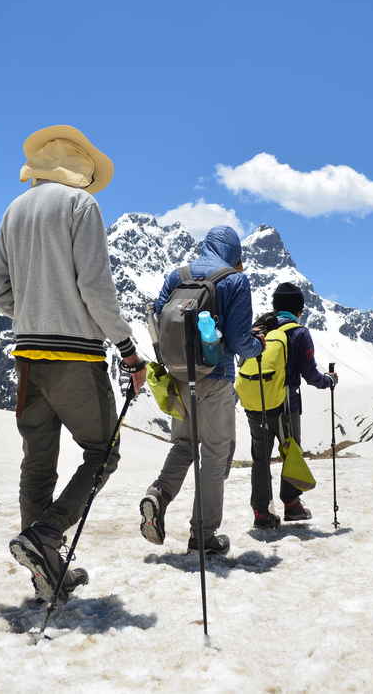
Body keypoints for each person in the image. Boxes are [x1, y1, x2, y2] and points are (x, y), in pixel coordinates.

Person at [0, 124, 147, 604]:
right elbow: (96, 288)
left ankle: (45, 573)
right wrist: (128, 349)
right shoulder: (81, 206)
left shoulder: (13, 211)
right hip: (75, 356)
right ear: (80, 168)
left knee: (38, 462)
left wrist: (36, 310)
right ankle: (48, 536)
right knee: (103, 453)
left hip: (27, 357)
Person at [139, 227, 262, 556]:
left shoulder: (176, 276)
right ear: (235, 254)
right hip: (215, 377)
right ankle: (203, 535)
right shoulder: (234, 281)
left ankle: (158, 495)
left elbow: (156, 320)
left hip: (178, 377)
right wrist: (257, 345)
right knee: (214, 454)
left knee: (183, 445)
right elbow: (238, 342)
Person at [245, 283, 338, 528]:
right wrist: (328, 382)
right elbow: (310, 374)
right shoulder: (298, 332)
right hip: (287, 404)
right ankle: (292, 505)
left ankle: (261, 513)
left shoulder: (259, 329)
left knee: (260, 458)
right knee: (291, 451)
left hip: (256, 401)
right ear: (299, 309)